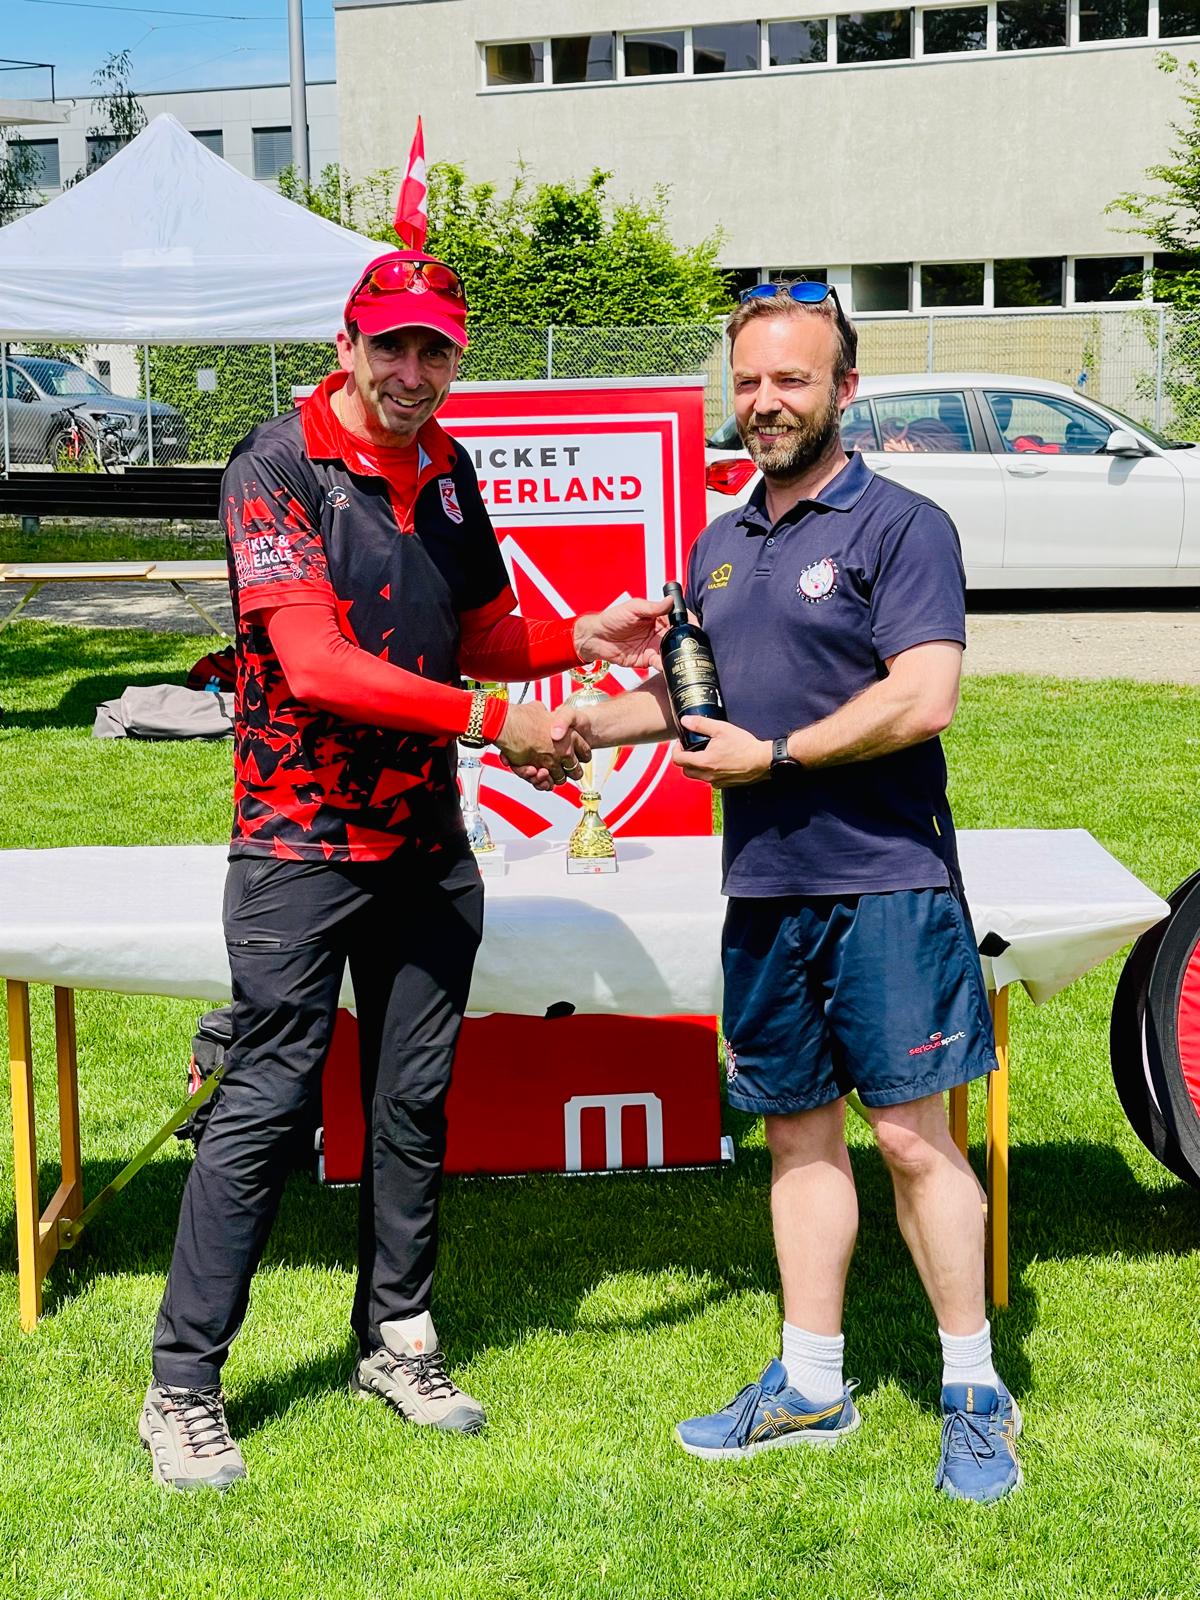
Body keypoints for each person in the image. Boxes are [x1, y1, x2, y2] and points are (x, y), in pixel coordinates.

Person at [140, 249, 666, 1491]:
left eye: (437, 350)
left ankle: (396, 1339)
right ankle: (183, 1385)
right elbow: (316, 664)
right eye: (393, 347)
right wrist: (490, 723)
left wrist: (579, 636)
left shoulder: (448, 468)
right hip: (299, 843)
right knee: (268, 1103)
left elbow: (483, 632)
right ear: (349, 345)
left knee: (412, 1104)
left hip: (426, 844)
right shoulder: (277, 466)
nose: (414, 372)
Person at [541, 282, 1022, 1504]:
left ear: (843, 390)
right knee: (798, 1131)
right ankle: (812, 1385)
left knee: (911, 1138)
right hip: (763, 888)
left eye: (792, 380)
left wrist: (781, 758)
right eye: (749, 381)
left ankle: (976, 1392)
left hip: (885, 880)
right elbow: (693, 703)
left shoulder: (903, 527)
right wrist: (575, 725)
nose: (765, 402)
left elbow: (924, 695)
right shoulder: (719, 542)